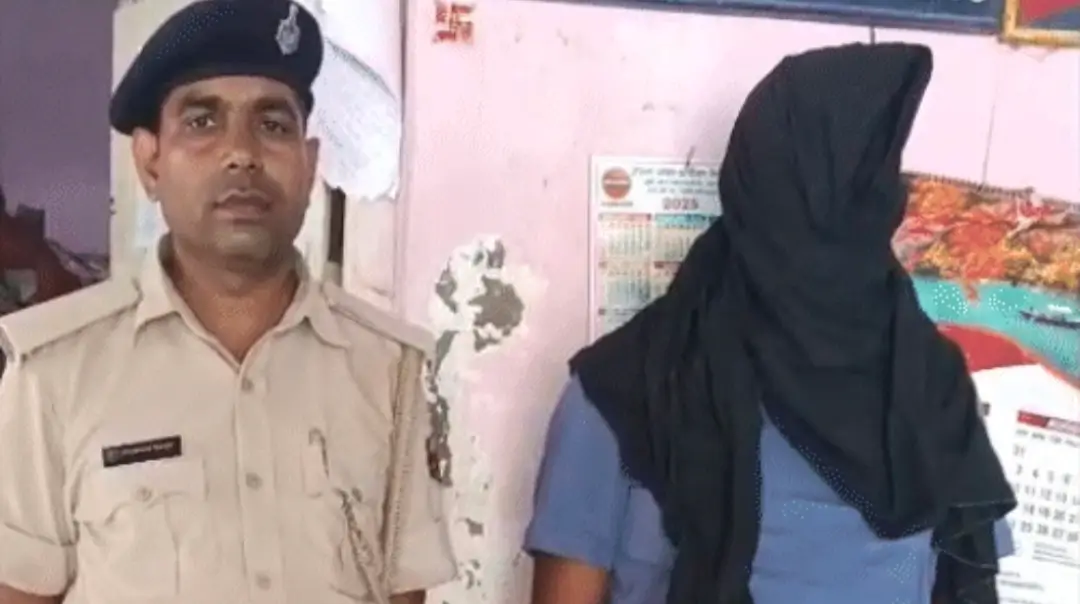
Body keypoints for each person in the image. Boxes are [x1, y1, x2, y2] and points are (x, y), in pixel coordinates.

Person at [525, 43, 1016, 604]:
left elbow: (967, 585)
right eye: (862, 185)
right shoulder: (627, 391)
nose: (887, 202)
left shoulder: (928, 389)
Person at [0, 1, 456, 603]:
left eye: (273, 125)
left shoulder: (388, 369)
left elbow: (402, 592)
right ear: (150, 162)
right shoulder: (55, 373)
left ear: (309, 165)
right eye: (202, 122)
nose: (241, 152)